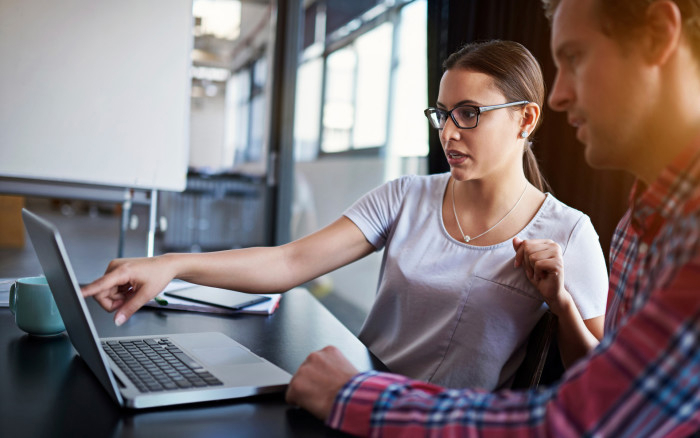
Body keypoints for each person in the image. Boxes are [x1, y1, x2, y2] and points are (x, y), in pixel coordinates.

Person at [82, 40, 608, 391]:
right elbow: (289, 261)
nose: (447, 133)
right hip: (357, 398)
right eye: (441, 114)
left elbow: (597, 377)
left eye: (468, 114)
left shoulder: (567, 233)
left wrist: (560, 304)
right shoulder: (406, 196)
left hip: (446, 424)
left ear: (526, 118)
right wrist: (171, 265)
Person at [285, 0, 700, 436]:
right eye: (443, 114)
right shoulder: (642, 220)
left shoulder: (586, 229)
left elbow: (587, 418)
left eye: (575, 57)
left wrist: (355, 394)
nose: (558, 94)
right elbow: (610, 389)